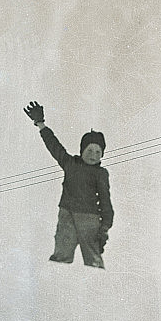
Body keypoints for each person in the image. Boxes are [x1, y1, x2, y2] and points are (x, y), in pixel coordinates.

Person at [24, 101, 113, 268]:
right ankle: (57, 284)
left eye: (97, 152)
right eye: (89, 150)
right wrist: (41, 124)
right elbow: (54, 146)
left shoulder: (100, 174)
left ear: (102, 154)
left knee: (94, 262)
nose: (93, 155)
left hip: (90, 221)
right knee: (60, 258)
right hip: (67, 217)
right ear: (82, 150)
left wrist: (105, 227)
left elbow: (105, 201)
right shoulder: (70, 164)